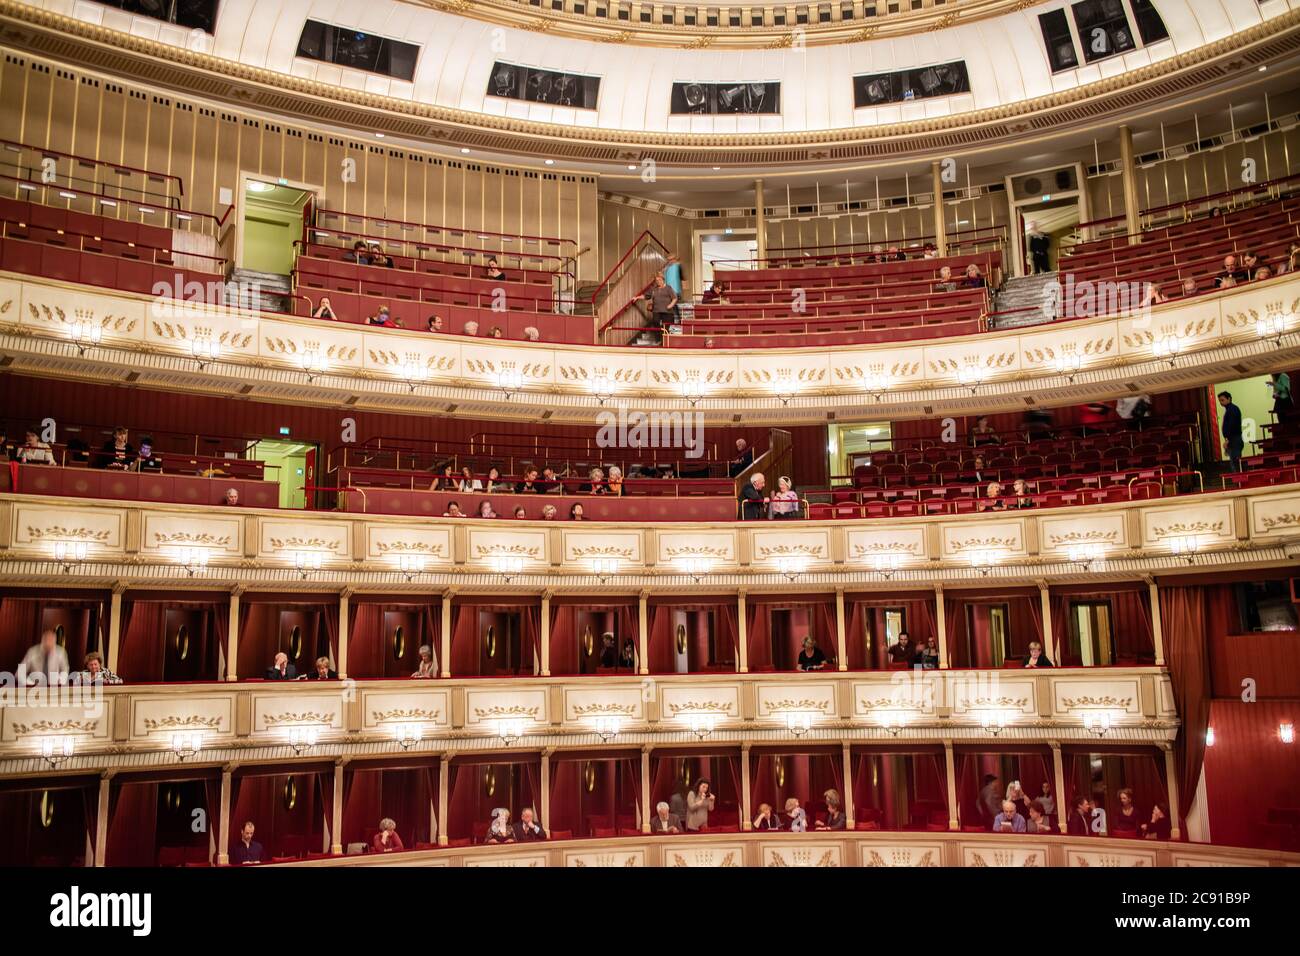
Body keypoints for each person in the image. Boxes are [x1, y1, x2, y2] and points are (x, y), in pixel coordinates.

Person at [643, 272, 677, 344]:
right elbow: (646, 296)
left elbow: (674, 298)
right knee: (655, 322)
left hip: (667, 311)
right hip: (656, 310)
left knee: (666, 326)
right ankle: (658, 339)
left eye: (659, 280)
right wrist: (637, 297)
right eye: (656, 281)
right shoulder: (654, 289)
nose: (658, 282)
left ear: (663, 280)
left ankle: (664, 341)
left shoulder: (668, 288)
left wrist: (670, 305)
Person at [1218, 391, 1243, 472]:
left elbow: (1232, 426)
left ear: (1229, 399)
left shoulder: (1232, 409)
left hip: (1234, 439)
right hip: (1233, 439)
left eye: (1222, 400)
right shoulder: (1231, 409)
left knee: (1235, 463)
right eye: (1220, 401)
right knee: (1234, 462)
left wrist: (1228, 440)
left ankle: (1239, 481)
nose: (1221, 403)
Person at [663, 253, 684, 327]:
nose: (670, 261)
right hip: (668, 289)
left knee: (673, 305)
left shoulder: (677, 266)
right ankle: (675, 320)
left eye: (671, 259)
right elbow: (664, 278)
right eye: (669, 260)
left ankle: (678, 319)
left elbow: (681, 277)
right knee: (671, 306)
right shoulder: (666, 268)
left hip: (675, 289)